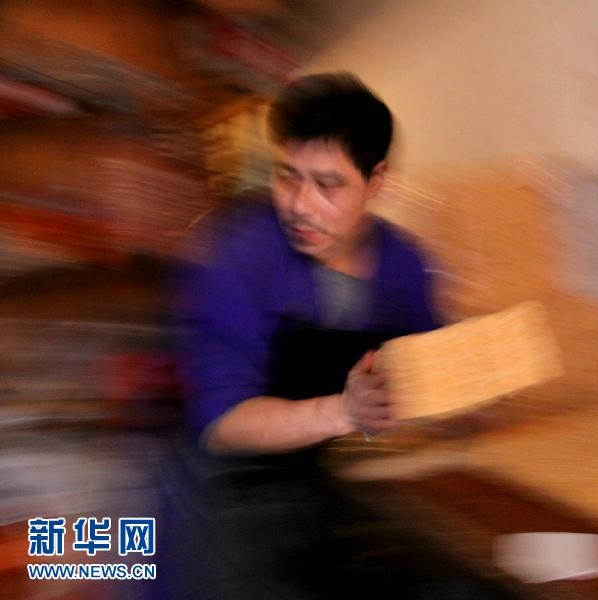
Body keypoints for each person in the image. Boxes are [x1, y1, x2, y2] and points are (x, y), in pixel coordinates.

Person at [156, 73, 508, 600]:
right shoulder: (239, 257)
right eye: (286, 176)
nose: (299, 204)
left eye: (327, 184)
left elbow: (430, 369)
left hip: (333, 495)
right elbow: (221, 423)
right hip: (231, 505)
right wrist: (345, 413)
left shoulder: (403, 264)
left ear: (378, 179)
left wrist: (472, 390)